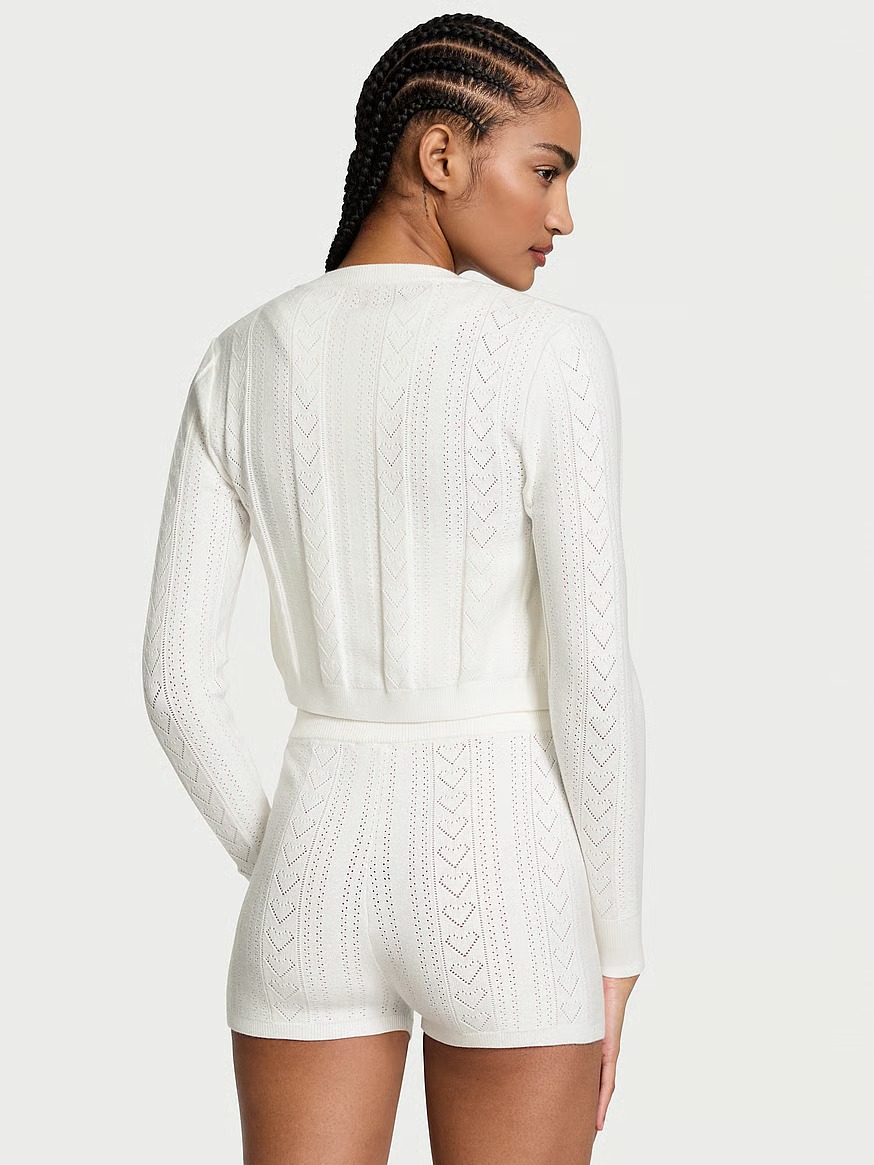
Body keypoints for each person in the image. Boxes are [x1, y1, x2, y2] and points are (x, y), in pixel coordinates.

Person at [141, 12, 646, 1165]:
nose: (564, 215)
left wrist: (285, 858)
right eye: (547, 170)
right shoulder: (549, 351)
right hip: (510, 874)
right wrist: (616, 949)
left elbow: (174, 684)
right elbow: (594, 676)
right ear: (439, 155)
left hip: (310, 869)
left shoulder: (239, 357)